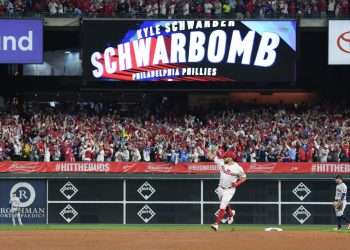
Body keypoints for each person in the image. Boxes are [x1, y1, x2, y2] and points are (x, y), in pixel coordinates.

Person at [208, 152, 247, 231]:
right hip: (220, 188)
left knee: (222, 207)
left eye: (226, 157)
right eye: (224, 157)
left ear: (231, 158)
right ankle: (231, 215)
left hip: (229, 189)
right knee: (225, 206)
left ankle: (216, 224)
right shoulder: (221, 162)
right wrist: (203, 147)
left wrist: (237, 183)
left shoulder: (237, 168)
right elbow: (211, 156)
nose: (224, 158)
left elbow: (244, 177)